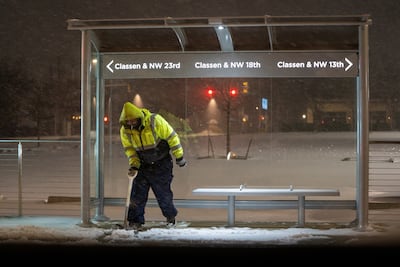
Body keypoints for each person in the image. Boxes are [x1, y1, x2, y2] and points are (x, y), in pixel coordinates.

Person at [119, 102, 187, 230]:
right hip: (143, 164)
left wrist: (179, 156)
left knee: (163, 193)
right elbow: (130, 150)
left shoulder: (155, 121)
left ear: (138, 116)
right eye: (128, 121)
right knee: (137, 194)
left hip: (161, 163)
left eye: (133, 120)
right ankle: (135, 221)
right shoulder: (125, 131)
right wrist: (134, 165)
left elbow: (172, 137)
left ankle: (170, 218)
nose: (131, 123)